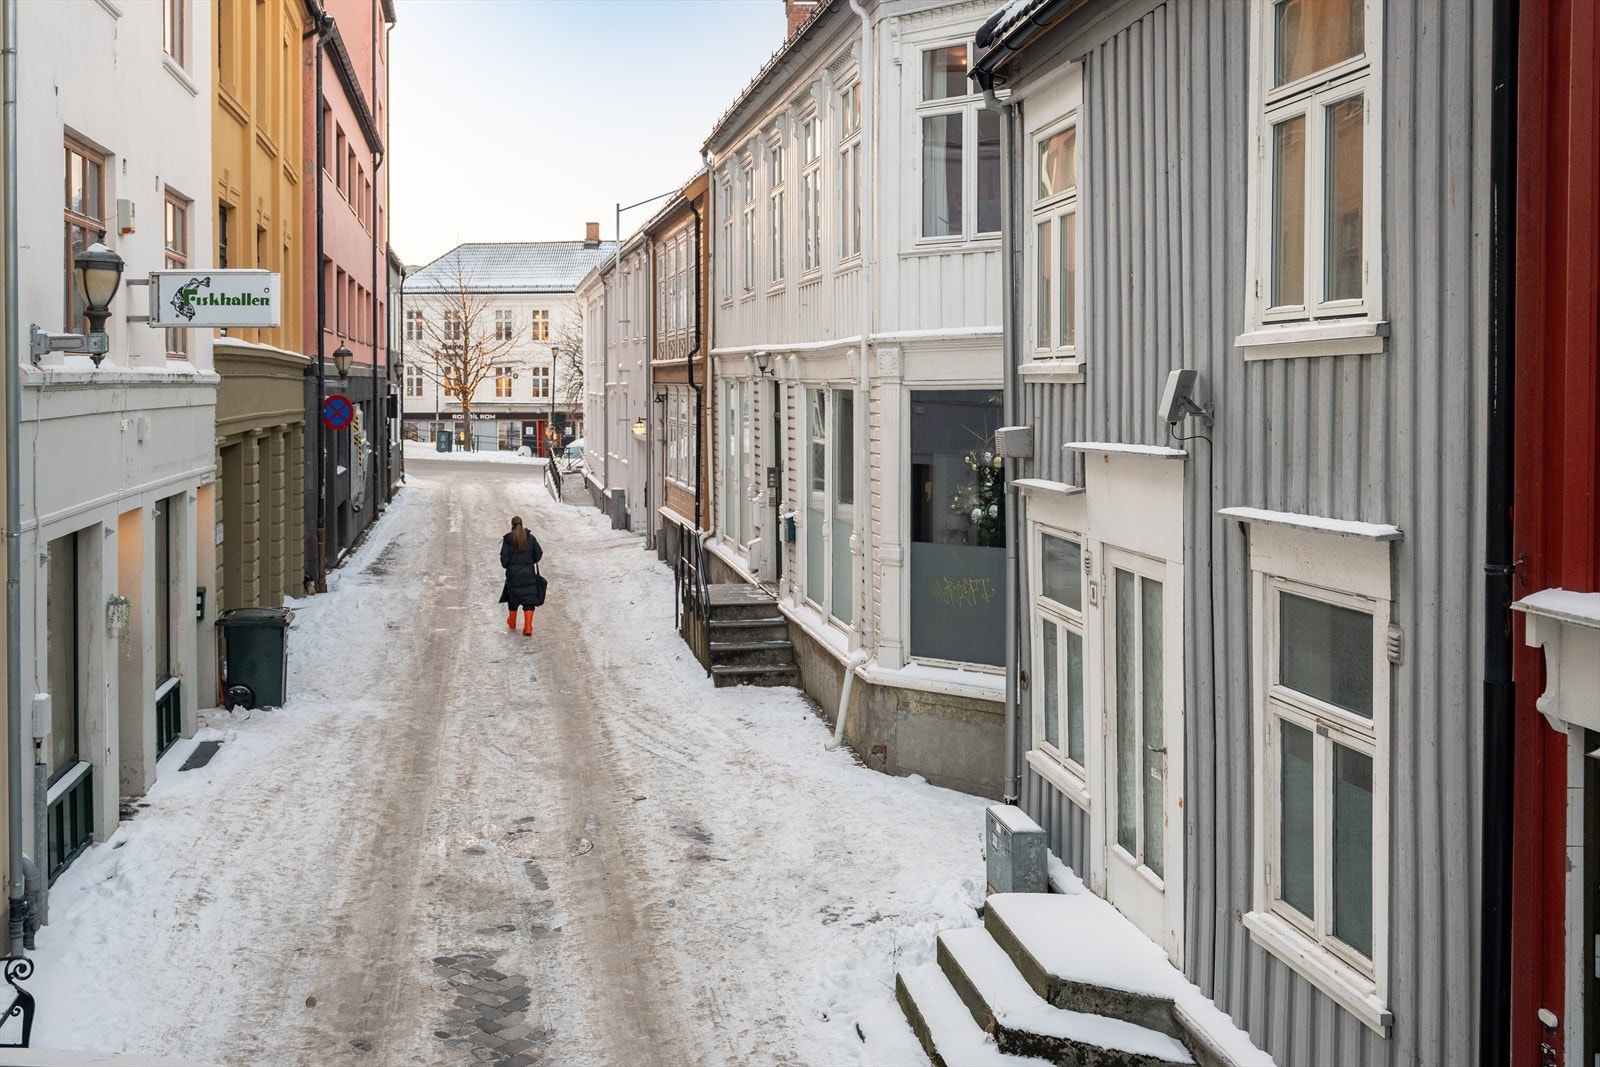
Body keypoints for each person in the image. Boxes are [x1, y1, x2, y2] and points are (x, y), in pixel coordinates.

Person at [499, 516, 544, 635]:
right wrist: (530, 561)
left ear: (512, 525)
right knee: (529, 600)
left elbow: (504, 560)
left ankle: (512, 622)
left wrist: (509, 565)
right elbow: (538, 554)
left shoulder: (508, 540)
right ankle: (528, 627)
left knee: (513, 598)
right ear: (522, 524)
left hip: (513, 575)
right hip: (529, 574)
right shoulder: (531, 538)